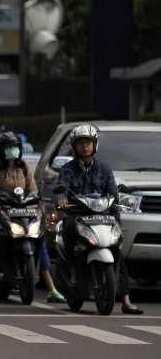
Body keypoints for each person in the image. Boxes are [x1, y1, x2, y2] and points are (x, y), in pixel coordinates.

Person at [56, 124, 143, 314]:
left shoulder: (104, 168)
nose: (84, 147)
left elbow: (113, 193)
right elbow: (62, 186)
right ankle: (72, 272)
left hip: (104, 216)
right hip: (77, 215)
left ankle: (126, 300)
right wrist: (61, 197)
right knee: (68, 227)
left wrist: (116, 210)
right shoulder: (68, 169)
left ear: (94, 145)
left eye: (88, 142)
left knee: (117, 251)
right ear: (74, 146)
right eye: (80, 143)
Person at [0, 131, 65, 303]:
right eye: (8, 148)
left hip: (24, 213)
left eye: (14, 147)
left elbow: (34, 190)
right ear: (0, 150)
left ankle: (52, 289)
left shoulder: (24, 167)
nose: (12, 151)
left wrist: (37, 206)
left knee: (40, 243)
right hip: (0, 214)